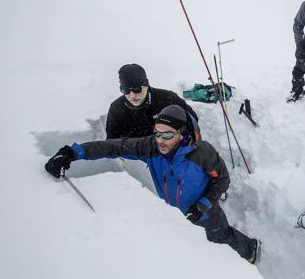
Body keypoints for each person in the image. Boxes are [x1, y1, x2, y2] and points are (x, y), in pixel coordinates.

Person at [45, 105, 260, 264]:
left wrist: (203, 204)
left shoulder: (202, 153)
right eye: (157, 133)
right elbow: (114, 147)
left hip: (205, 213)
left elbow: (221, 179)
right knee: (193, 253)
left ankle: (251, 250)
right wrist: (73, 152)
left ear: (182, 134)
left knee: (220, 237)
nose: (160, 140)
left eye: (167, 134)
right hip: (174, 217)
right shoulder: (151, 148)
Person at [105, 63, 199, 139]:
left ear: (146, 85)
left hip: (169, 150)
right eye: (126, 91)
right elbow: (111, 141)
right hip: (136, 156)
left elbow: (192, 119)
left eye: (137, 89)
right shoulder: (116, 108)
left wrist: (187, 140)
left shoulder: (168, 98)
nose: (132, 96)